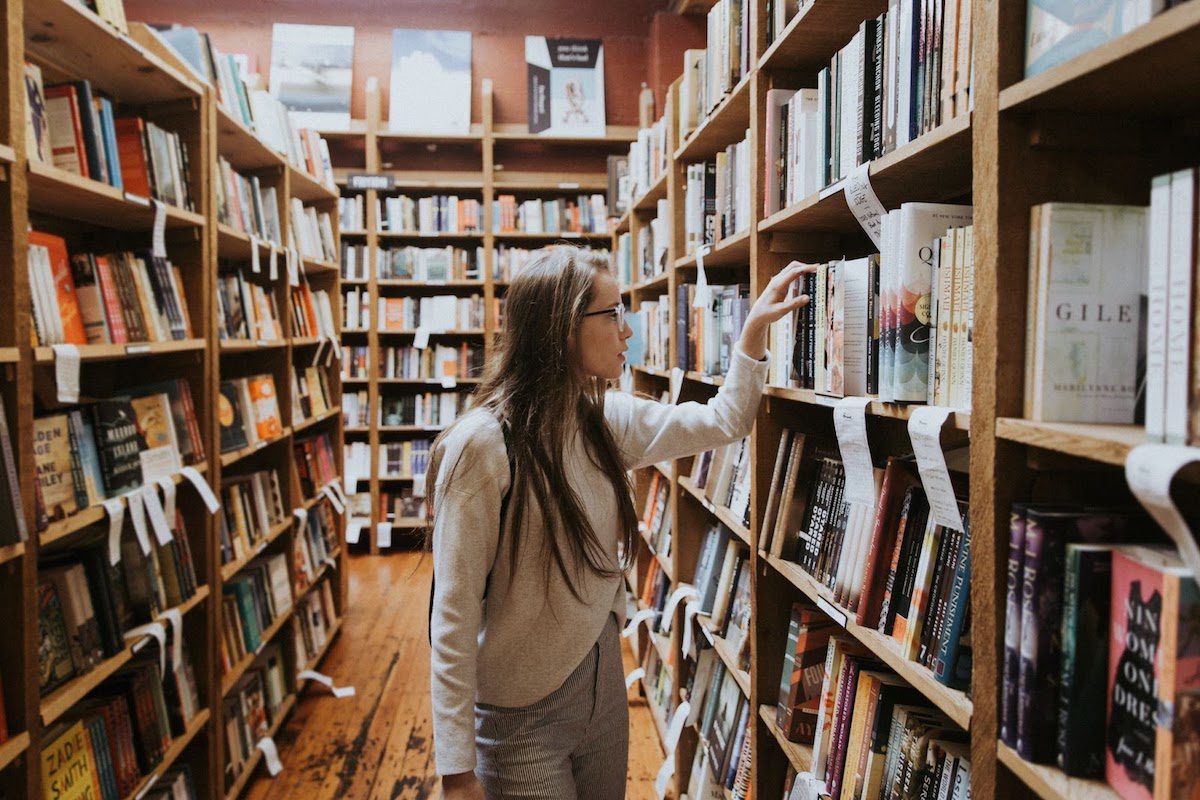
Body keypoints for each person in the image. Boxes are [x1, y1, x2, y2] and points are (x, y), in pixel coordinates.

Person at [428, 246, 812, 800]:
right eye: (612, 314)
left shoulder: (606, 420)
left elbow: (724, 420)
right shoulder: (482, 447)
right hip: (519, 714)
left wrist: (750, 337)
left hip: (601, 682)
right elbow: (454, 613)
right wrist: (456, 770)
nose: (627, 329)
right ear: (563, 330)